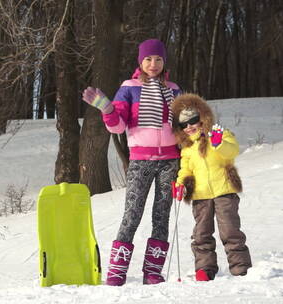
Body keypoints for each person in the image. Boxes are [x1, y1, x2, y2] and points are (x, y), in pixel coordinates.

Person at [82, 39, 181, 286]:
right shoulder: (129, 87)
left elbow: (183, 126)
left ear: (164, 61)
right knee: (132, 214)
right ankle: (117, 271)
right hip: (141, 161)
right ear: (140, 61)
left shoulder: (174, 89)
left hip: (170, 161)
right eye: (148, 59)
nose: (153, 64)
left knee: (162, 215)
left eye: (158, 59)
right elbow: (118, 126)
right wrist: (107, 109)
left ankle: (153, 272)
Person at [171, 93, 252, 281]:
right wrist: (180, 184)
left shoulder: (220, 134)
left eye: (193, 120)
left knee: (230, 230)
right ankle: (204, 269)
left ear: (202, 118)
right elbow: (185, 170)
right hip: (201, 196)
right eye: (184, 124)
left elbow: (232, 152)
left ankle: (240, 267)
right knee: (201, 233)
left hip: (224, 192)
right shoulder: (187, 148)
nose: (190, 126)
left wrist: (218, 143)